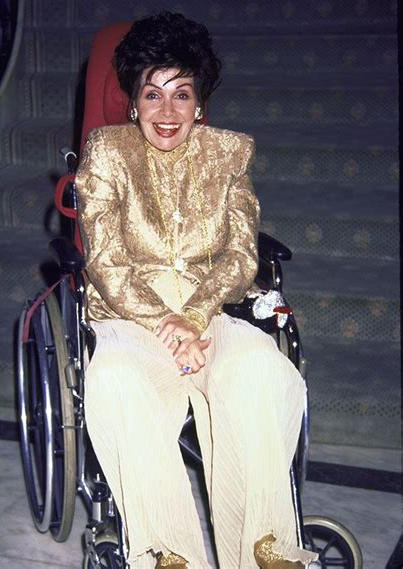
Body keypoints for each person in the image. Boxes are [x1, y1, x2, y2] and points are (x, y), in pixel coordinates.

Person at [75, 12, 318, 569]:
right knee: (115, 380)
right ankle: (170, 552)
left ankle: (266, 546)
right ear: (133, 101)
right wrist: (165, 320)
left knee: (258, 370)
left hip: (210, 316)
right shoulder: (107, 153)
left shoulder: (228, 155)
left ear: (199, 102)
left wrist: (196, 315)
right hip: (129, 317)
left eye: (181, 94)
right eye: (152, 94)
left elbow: (240, 254)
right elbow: (106, 260)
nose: (167, 112)